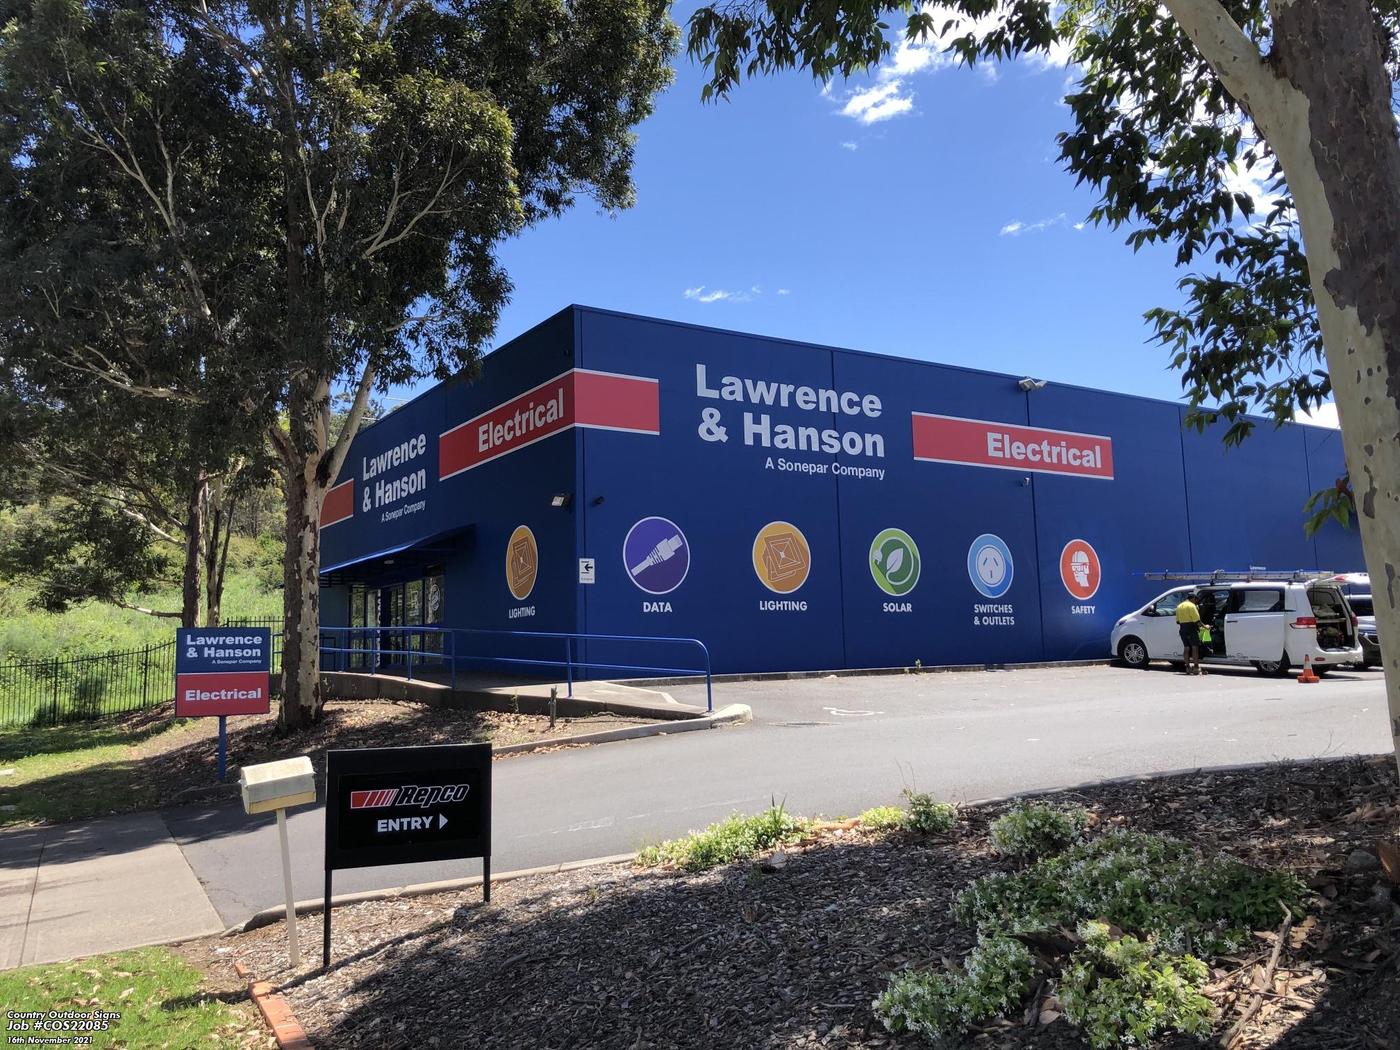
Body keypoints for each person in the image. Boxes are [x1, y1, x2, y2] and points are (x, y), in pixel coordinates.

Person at [1176, 594, 1205, 675]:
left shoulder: (1179, 606)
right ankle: (1196, 667)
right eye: (1196, 600)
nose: (1196, 602)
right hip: (1191, 628)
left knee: (1186, 647)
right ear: (1193, 598)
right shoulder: (1192, 606)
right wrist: (1205, 627)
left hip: (1182, 629)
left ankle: (1188, 668)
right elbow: (1197, 621)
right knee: (1195, 647)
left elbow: (1178, 621)